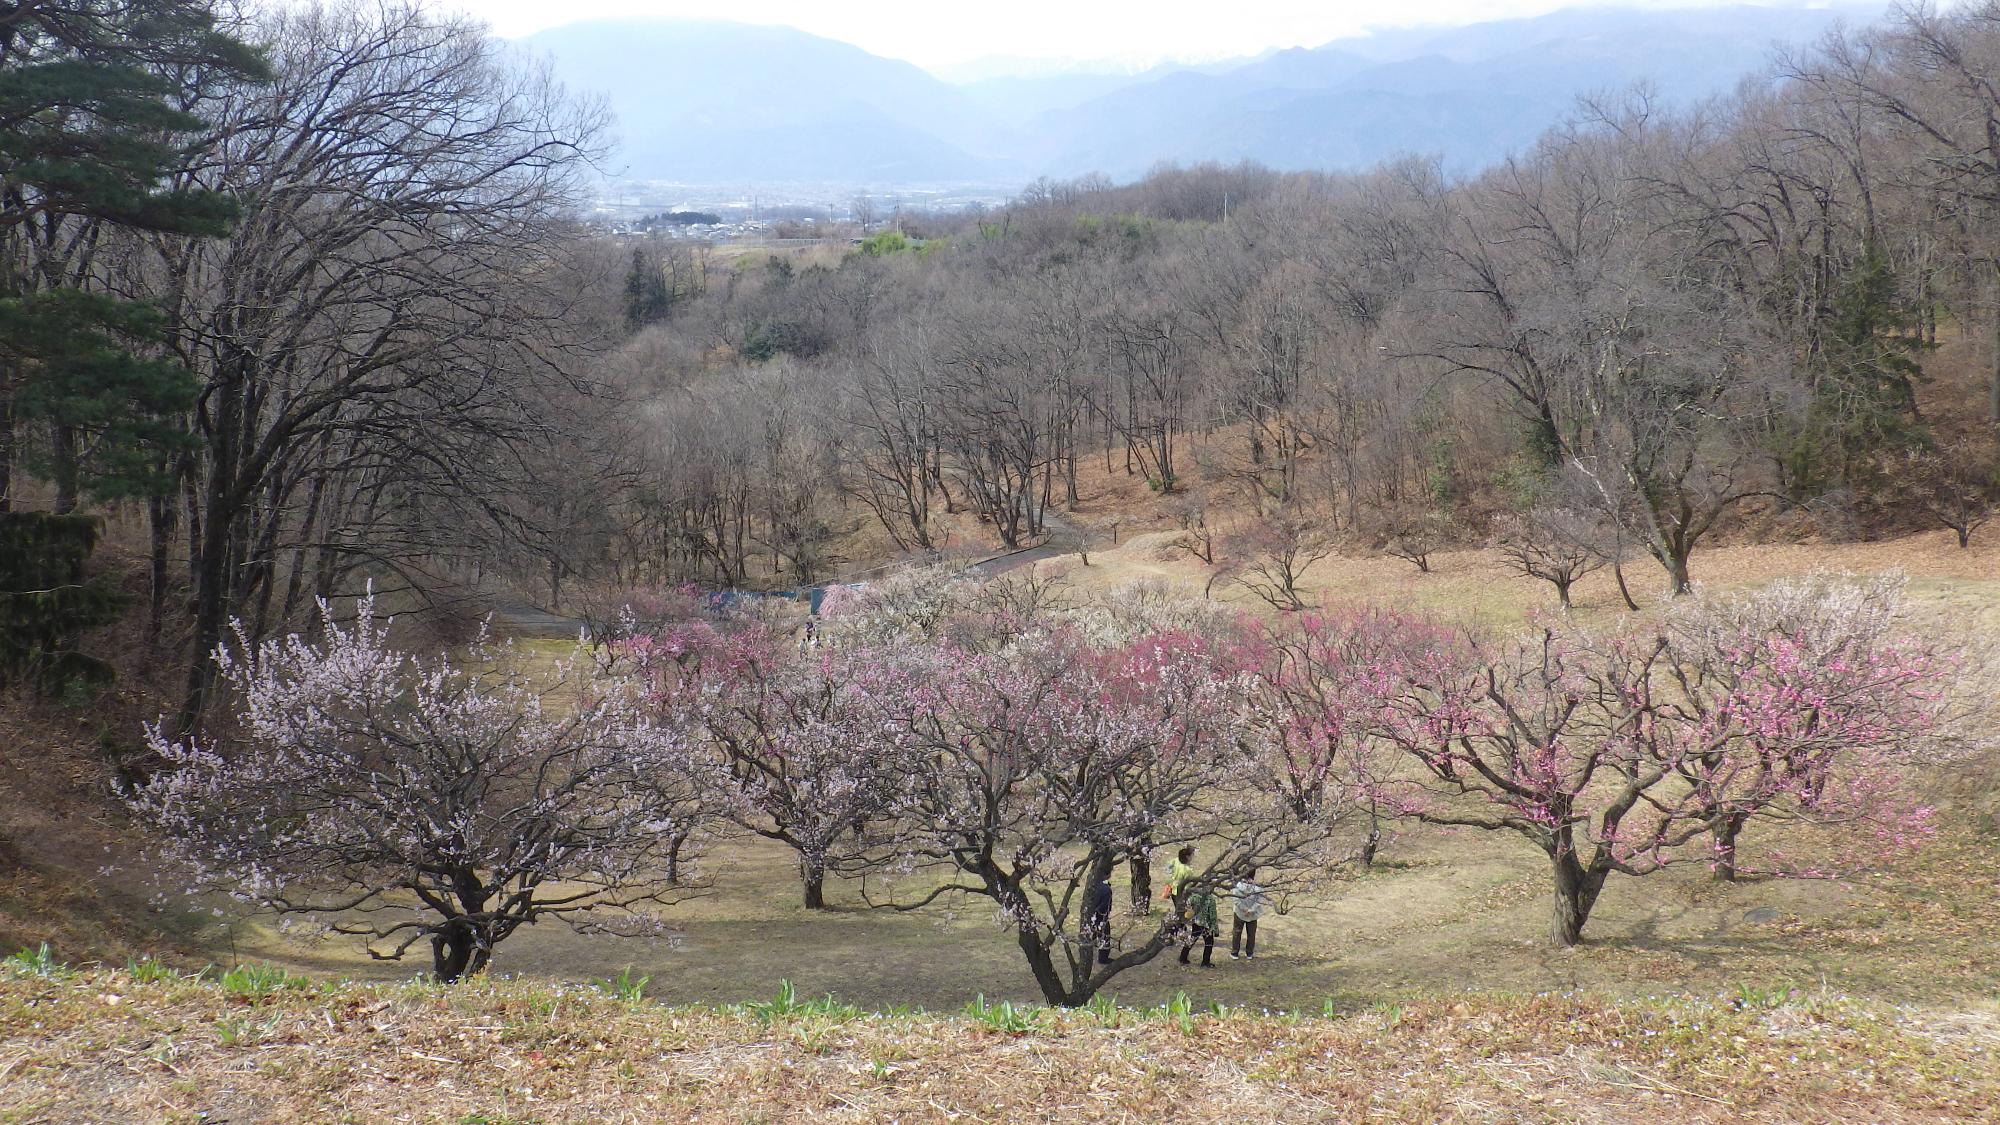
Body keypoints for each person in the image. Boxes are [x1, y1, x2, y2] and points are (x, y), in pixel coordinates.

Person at [1230, 867, 1268, 960]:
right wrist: (1251, 910)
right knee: (1251, 934)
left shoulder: (1238, 886)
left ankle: (1235, 953)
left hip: (1239, 913)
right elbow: (1259, 901)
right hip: (1252, 915)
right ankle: (1249, 953)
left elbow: (1235, 899)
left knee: (1237, 932)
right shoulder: (1257, 888)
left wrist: (1243, 909)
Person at [1179, 882, 1217, 967]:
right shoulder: (1210, 899)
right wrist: (1214, 928)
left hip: (1196, 922)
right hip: (1206, 925)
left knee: (1192, 939)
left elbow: (1187, 905)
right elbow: (1213, 915)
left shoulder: (1194, 897)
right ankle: (1205, 962)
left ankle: (1183, 957)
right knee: (1209, 943)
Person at [1083, 871, 1114, 966]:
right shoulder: (1106, 889)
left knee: (1091, 935)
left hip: (1090, 915)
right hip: (1100, 917)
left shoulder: (1092, 885)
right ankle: (1103, 958)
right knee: (1104, 936)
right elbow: (1104, 906)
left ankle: (1085, 953)